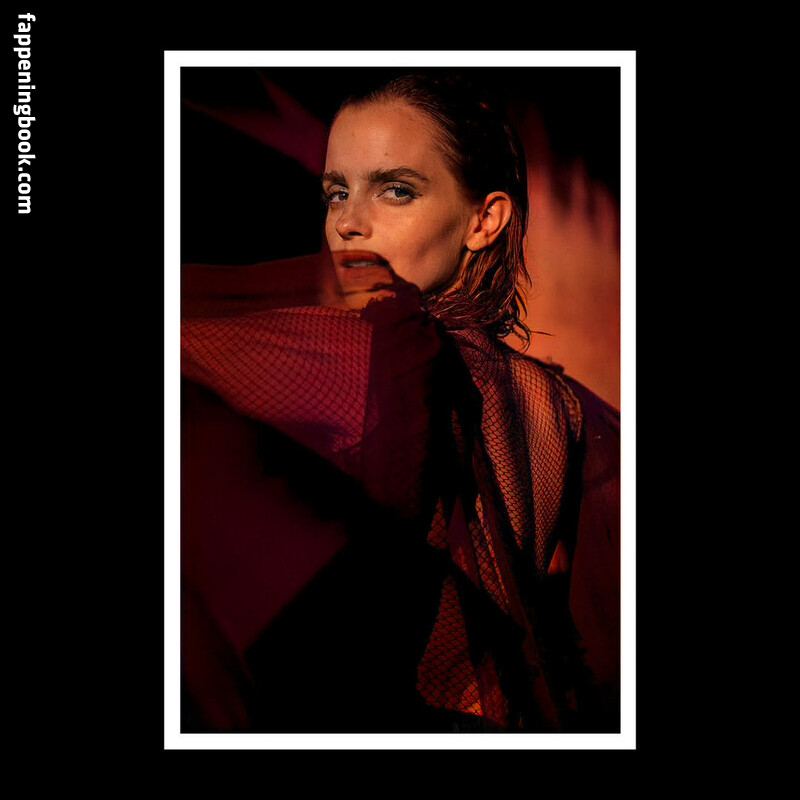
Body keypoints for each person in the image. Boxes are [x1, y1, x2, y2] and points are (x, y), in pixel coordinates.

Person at [180, 73, 620, 733]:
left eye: (396, 190)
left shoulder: (371, 350)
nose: (348, 222)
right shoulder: (563, 406)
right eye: (336, 192)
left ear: (485, 220)